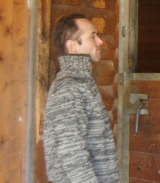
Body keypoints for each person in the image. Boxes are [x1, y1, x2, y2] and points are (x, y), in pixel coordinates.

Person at [43, 13, 119, 183]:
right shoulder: (69, 88)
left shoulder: (82, 82)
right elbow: (72, 155)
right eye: (92, 36)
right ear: (73, 46)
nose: (100, 41)